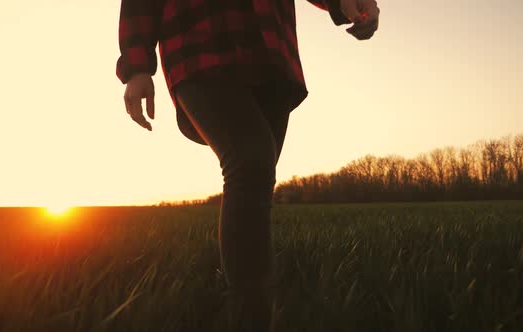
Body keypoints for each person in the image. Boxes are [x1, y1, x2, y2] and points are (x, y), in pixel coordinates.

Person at [116, 0, 379, 330]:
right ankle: (250, 317)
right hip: (198, 43)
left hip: (269, 53)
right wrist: (137, 66)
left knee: (256, 179)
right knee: (250, 161)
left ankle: (253, 309)